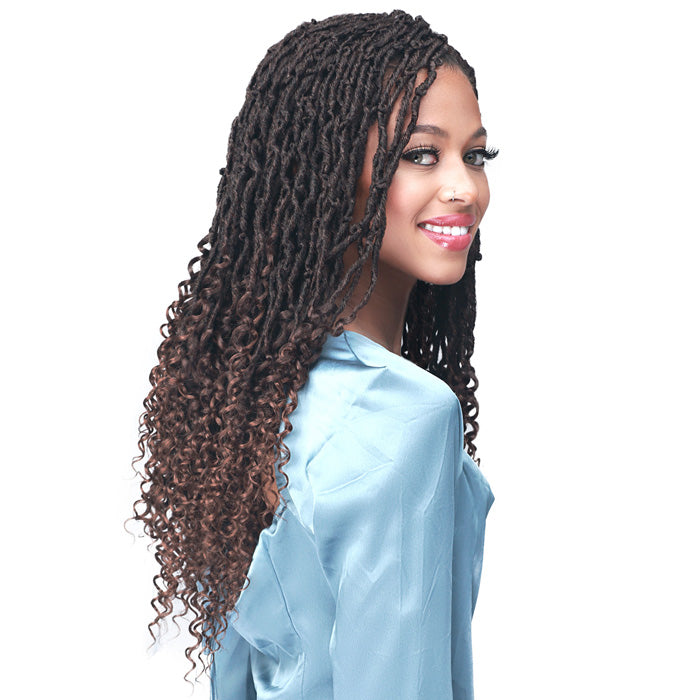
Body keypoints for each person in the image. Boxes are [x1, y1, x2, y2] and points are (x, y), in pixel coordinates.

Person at [131, 10, 498, 699]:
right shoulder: (406, 418)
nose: (465, 188)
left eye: (476, 156)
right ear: (328, 172)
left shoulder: (252, 399)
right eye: (422, 155)